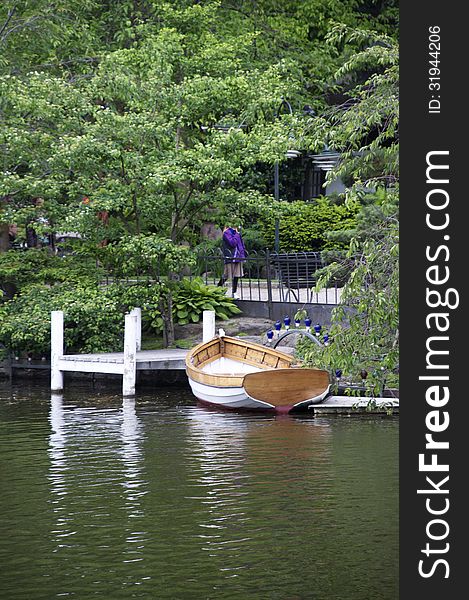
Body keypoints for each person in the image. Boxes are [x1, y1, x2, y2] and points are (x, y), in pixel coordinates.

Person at [217, 225, 246, 299]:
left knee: (236, 276)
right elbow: (232, 243)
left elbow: (240, 245)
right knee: (226, 275)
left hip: (238, 257)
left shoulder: (237, 233)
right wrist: (236, 234)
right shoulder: (227, 233)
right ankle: (218, 289)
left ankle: (234, 292)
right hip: (231, 257)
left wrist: (242, 254)